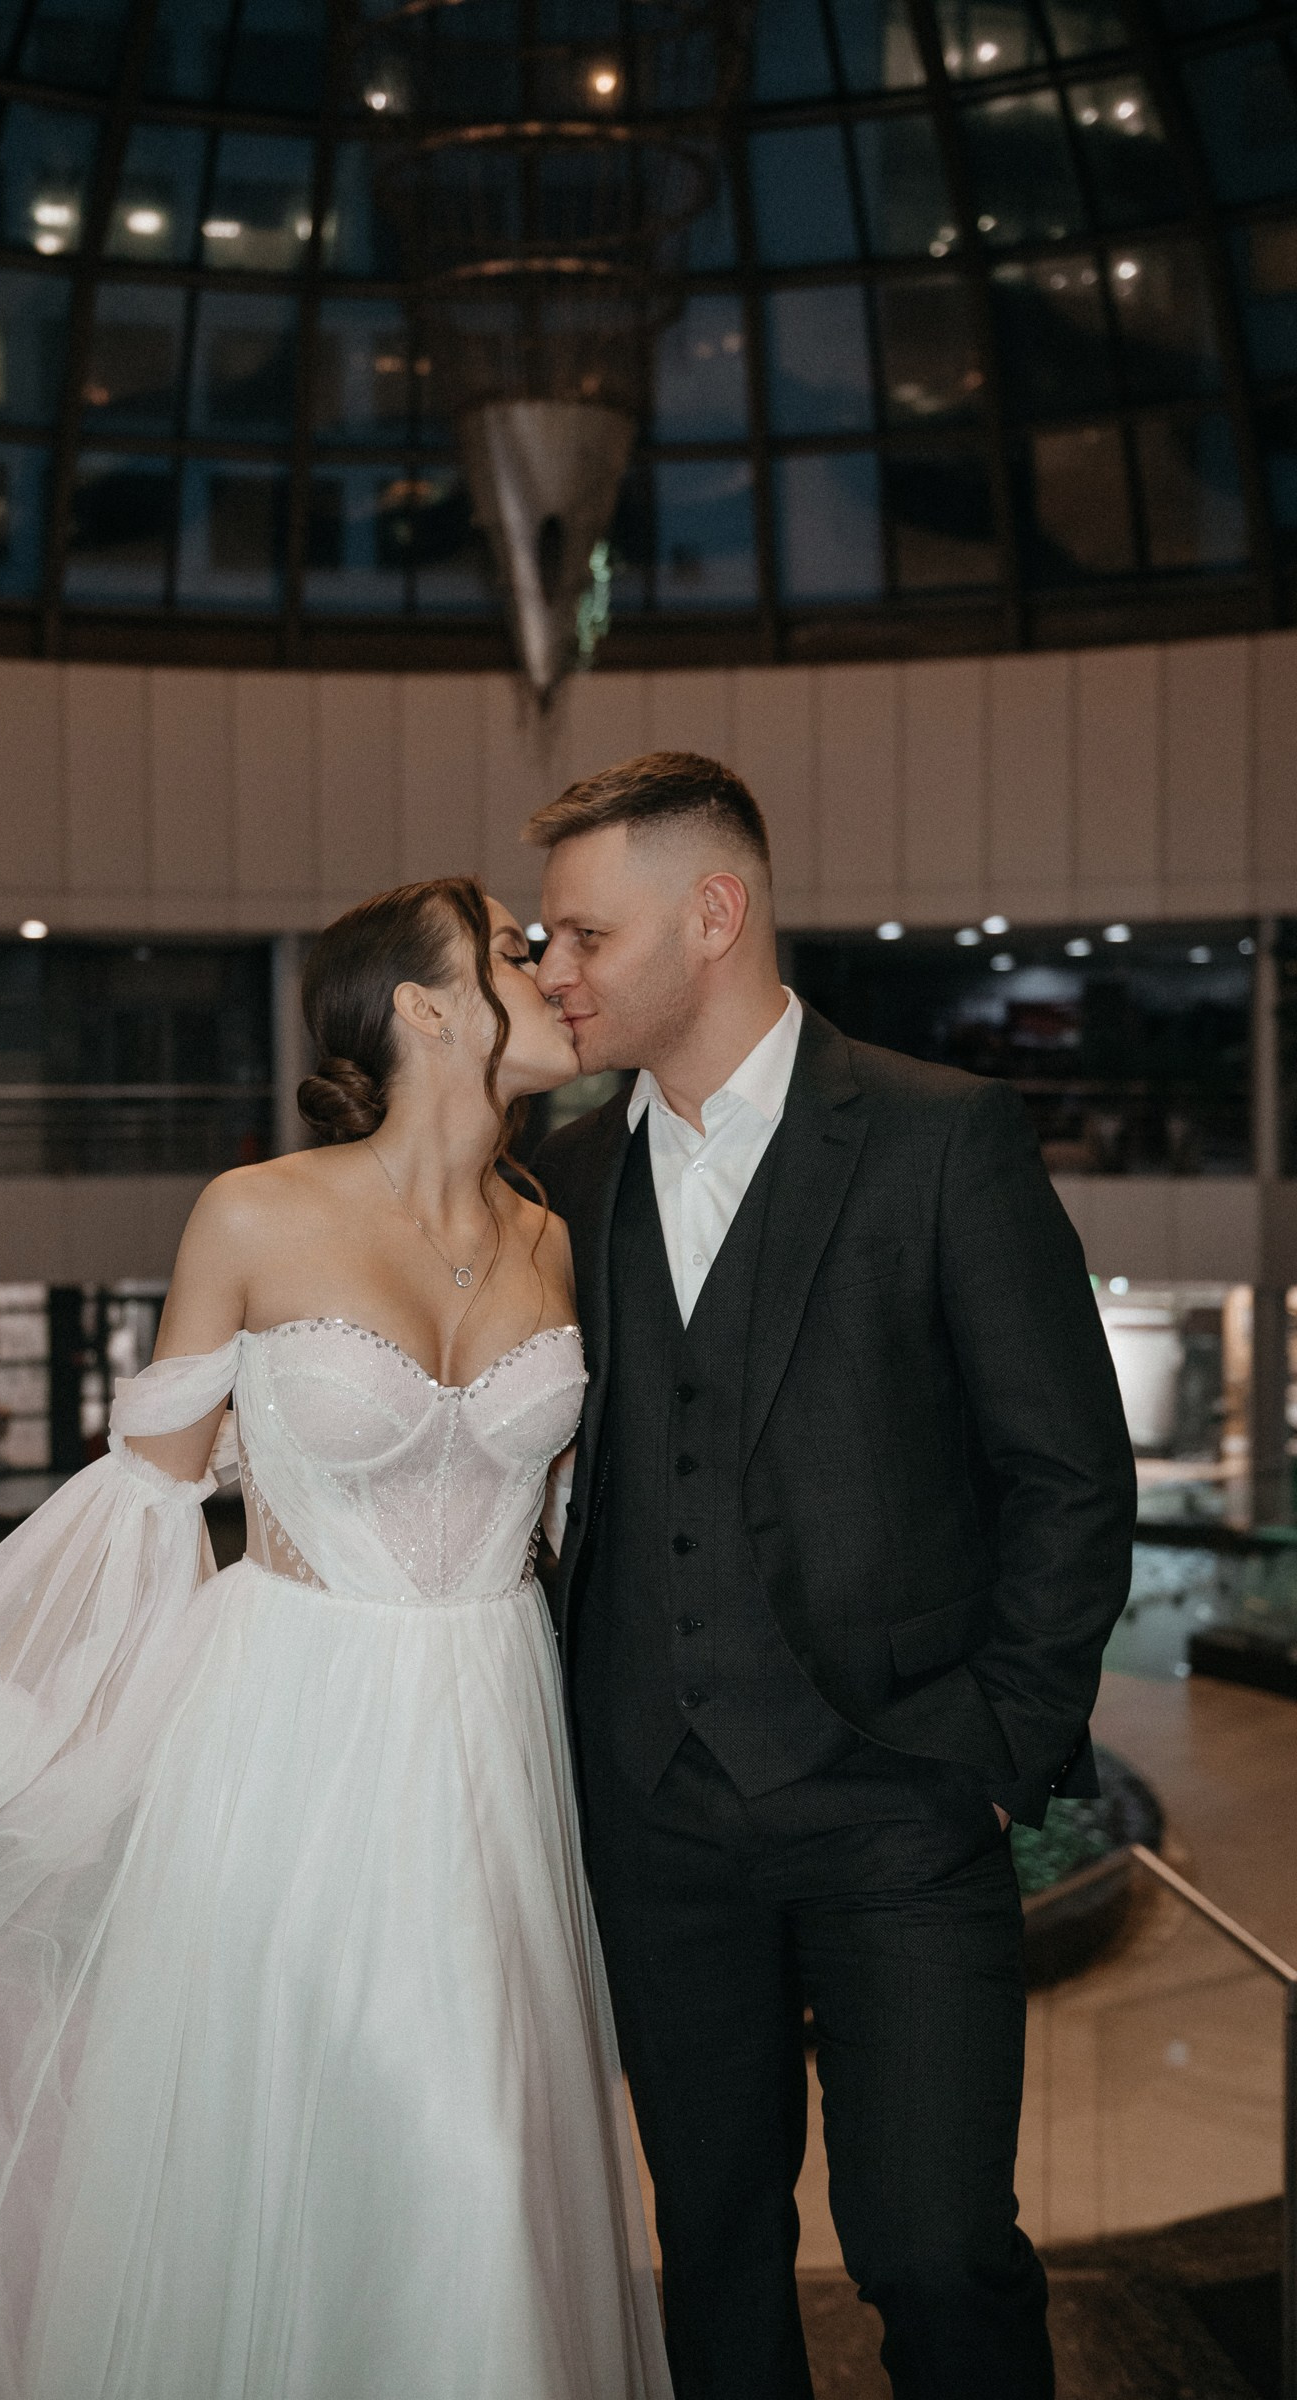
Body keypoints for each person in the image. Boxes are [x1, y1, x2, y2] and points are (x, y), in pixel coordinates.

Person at [0, 876, 672, 2400]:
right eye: (518, 951)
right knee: (309, 2145)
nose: (556, 971)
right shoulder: (253, 1212)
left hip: (493, 1743)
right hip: (294, 1739)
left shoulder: (550, 1234)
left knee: (482, 2156)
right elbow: (142, 1501)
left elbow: (578, 1516)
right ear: (424, 1005)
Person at [527, 753, 1136, 2400]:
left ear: (713, 913)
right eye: (542, 940)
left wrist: (995, 1748)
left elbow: (1069, 1475)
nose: (553, 970)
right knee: (714, 2251)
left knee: (937, 2252)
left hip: (900, 1806)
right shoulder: (561, 1184)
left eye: (584, 935)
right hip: (652, 1821)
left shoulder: (941, 1138)